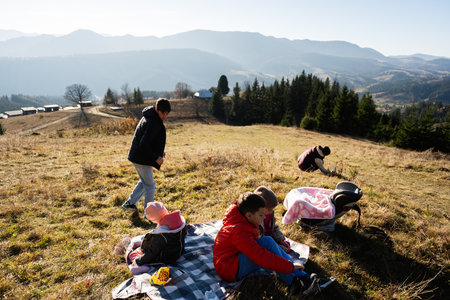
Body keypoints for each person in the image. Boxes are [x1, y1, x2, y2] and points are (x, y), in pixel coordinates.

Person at [213, 192, 333, 296]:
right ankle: (297, 284)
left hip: (234, 260)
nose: (264, 217)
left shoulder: (242, 218)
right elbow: (261, 257)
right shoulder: (238, 231)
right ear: (249, 215)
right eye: (261, 215)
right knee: (267, 246)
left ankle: (303, 279)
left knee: (268, 241)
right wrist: (289, 266)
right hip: (230, 269)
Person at [122, 98, 171, 212]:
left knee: (145, 181)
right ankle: (149, 213)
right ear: (157, 110)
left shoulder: (150, 117)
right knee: (150, 185)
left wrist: (159, 152)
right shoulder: (153, 122)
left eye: (167, 113)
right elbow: (144, 144)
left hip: (138, 156)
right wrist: (155, 157)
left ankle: (130, 204)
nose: (164, 116)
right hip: (141, 157)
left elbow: (149, 141)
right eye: (162, 113)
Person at [126, 202, 187, 275]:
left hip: (166, 258)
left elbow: (152, 253)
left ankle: (142, 267)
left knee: (134, 253)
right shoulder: (179, 222)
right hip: (179, 251)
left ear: (153, 219)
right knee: (145, 243)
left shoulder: (161, 235)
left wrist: (137, 261)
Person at [254, 186, 291, 253]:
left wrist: (280, 239)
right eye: (269, 209)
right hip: (264, 241)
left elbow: (274, 227)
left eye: (272, 209)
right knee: (281, 251)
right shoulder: (255, 219)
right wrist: (275, 245)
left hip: (270, 237)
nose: (271, 211)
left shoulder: (269, 214)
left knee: (286, 246)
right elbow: (259, 237)